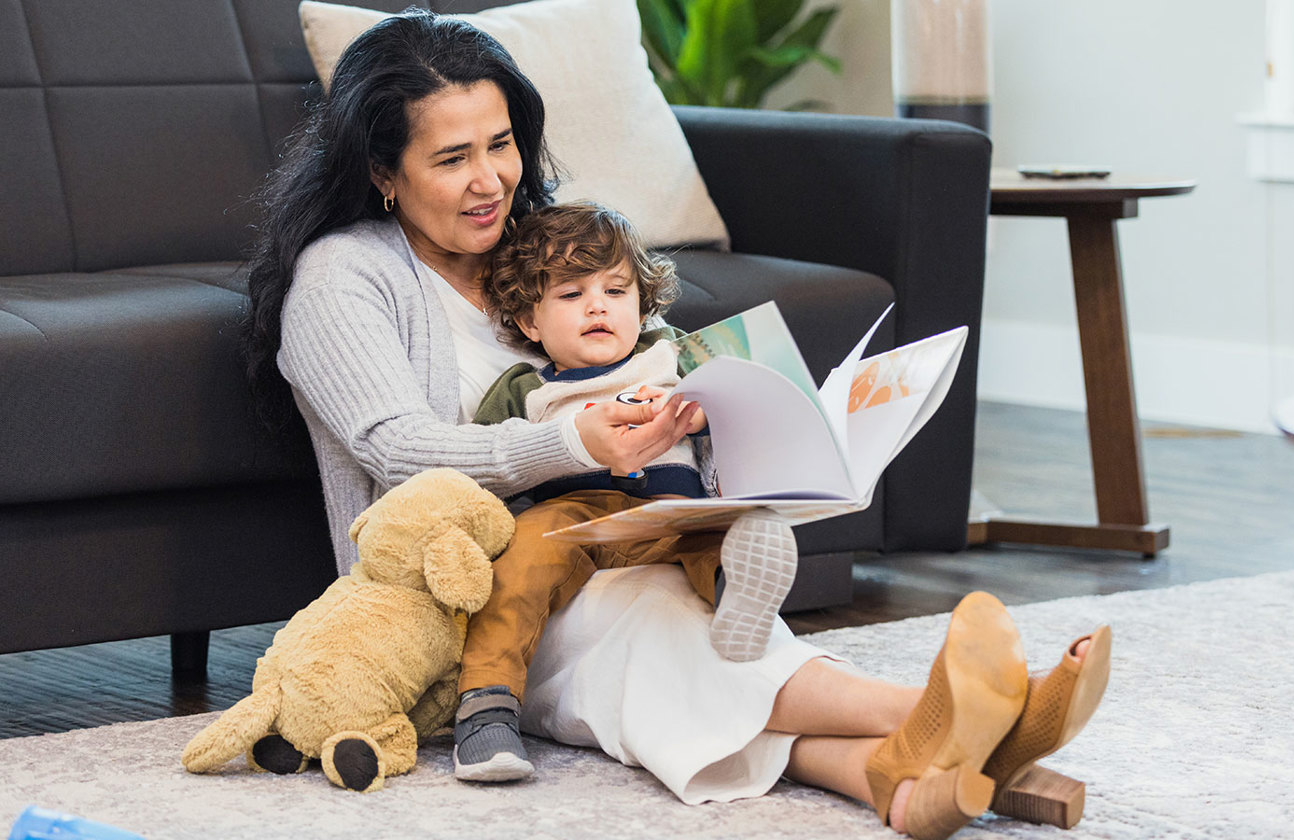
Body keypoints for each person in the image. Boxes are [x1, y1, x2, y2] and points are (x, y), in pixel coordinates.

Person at [240, 11, 1110, 839]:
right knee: (650, 620)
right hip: (477, 604)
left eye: (502, 144)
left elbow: (650, 355)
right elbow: (395, 451)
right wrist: (573, 443)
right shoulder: (342, 277)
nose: (490, 180)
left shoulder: (540, 248)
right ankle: (963, 714)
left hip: (628, 533)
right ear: (383, 174)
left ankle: (902, 778)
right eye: (452, 158)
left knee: (701, 598)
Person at [453, 200, 799, 780]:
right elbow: (486, 463)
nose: (597, 306)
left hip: (674, 509)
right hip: (573, 516)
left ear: (643, 304)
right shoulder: (526, 387)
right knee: (516, 567)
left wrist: (705, 416)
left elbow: (749, 402)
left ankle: (739, 598)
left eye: (616, 291)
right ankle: (486, 710)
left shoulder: (673, 356)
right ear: (529, 322)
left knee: (726, 530)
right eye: (570, 295)